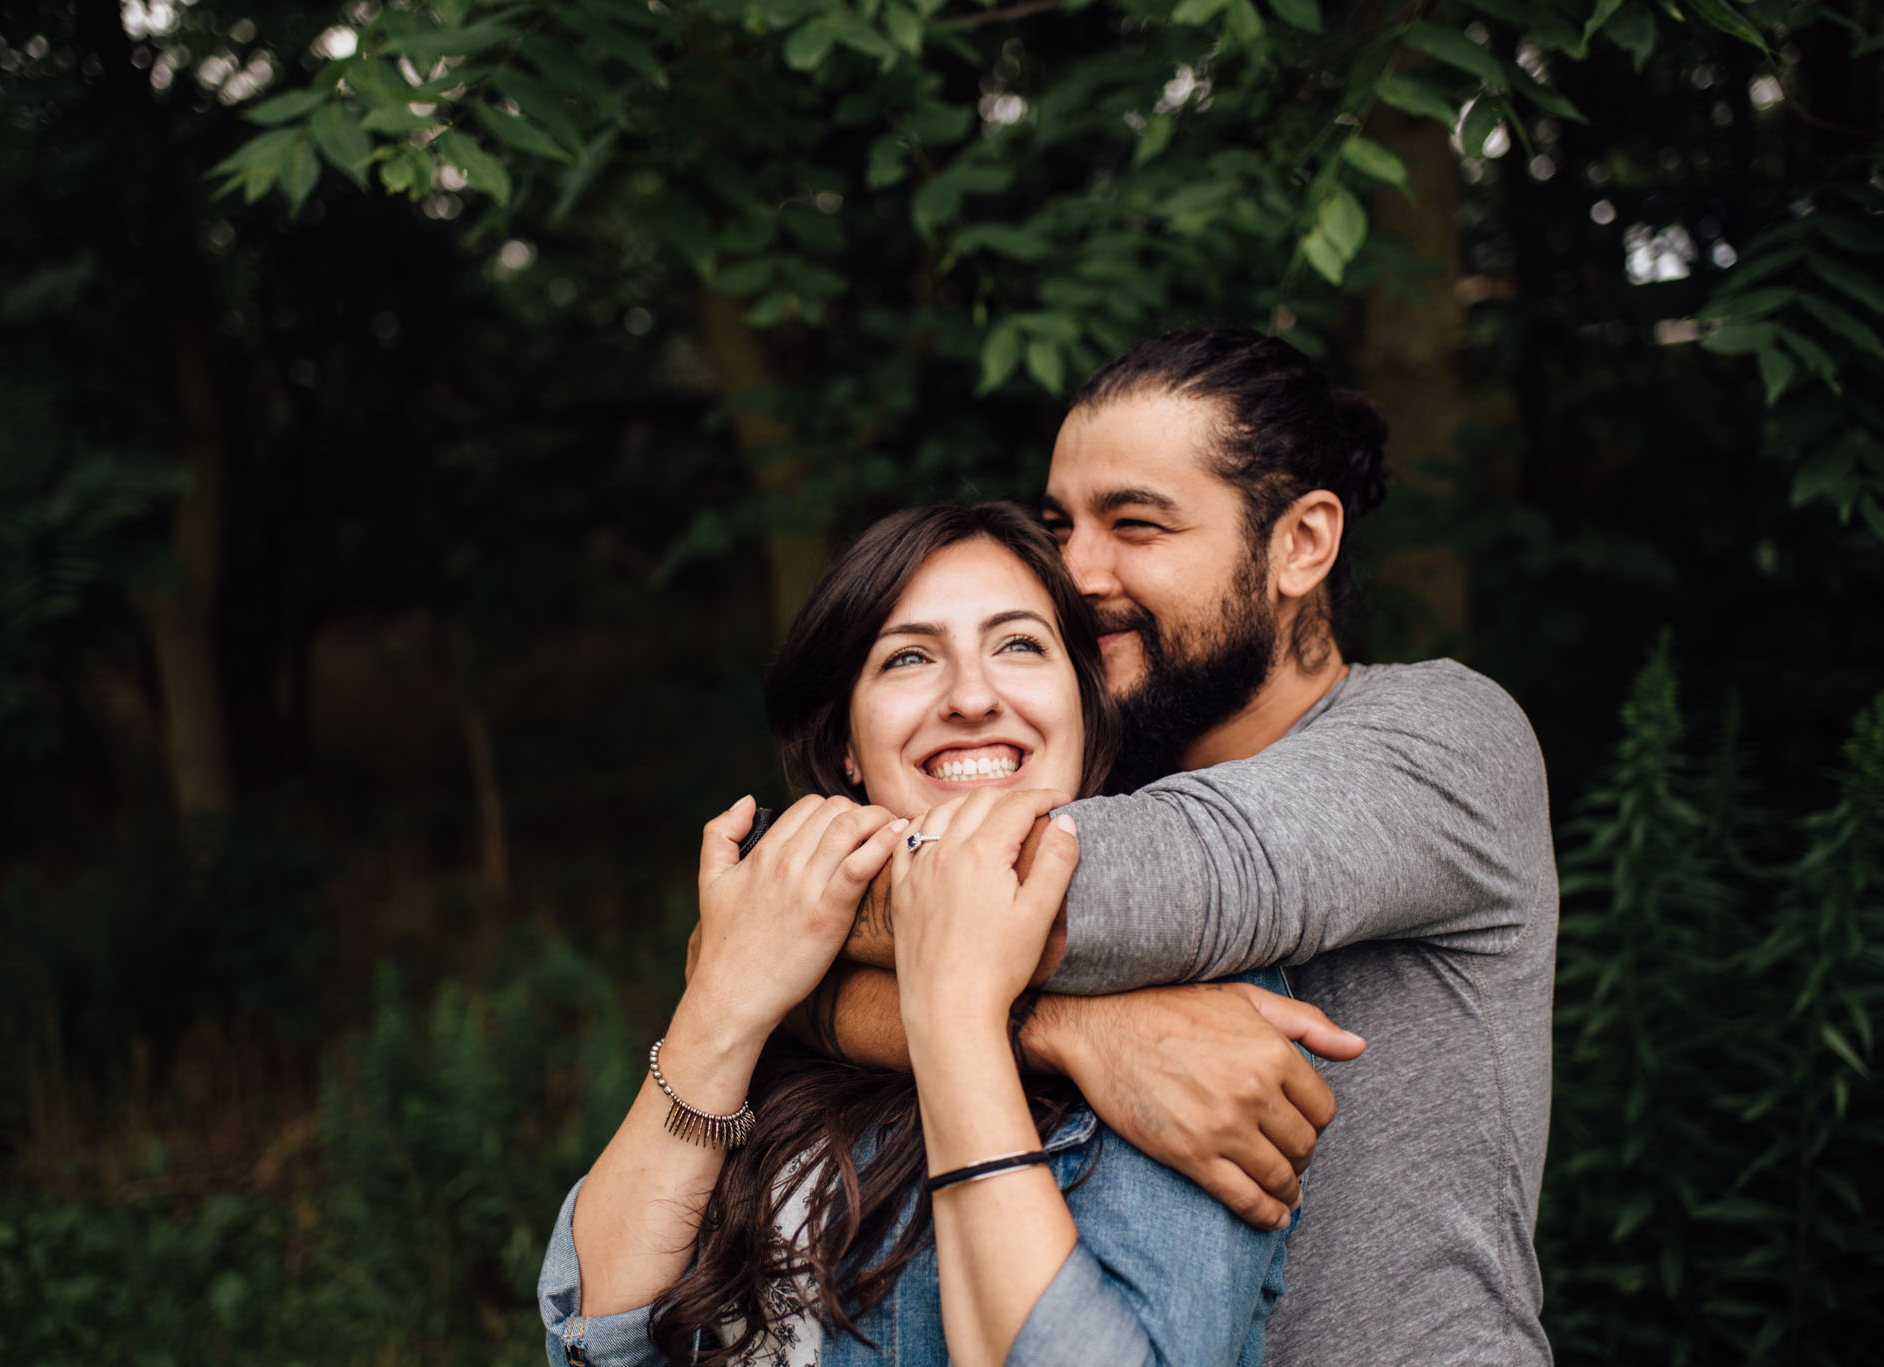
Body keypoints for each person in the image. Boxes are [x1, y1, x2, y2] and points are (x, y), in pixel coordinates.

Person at [809, 328, 1559, 1365]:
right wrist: (1075, 1036)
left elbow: (840, 913)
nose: (1073, 572)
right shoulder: (1085, 784)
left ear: (1299, 542)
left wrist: (786, 918)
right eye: (1060, 523)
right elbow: (783, 952)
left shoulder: (1441, 743)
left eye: (1134, 524)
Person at [537, 502, 1325, 1367]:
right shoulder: (793, 976)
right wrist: (722, 1003)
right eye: (910, 656)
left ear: (1088, 710)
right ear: (845, 743)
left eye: (1019, 644)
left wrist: (960, 1011)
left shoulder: (1187, 999)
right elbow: (599, 1342)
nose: (973, 696)